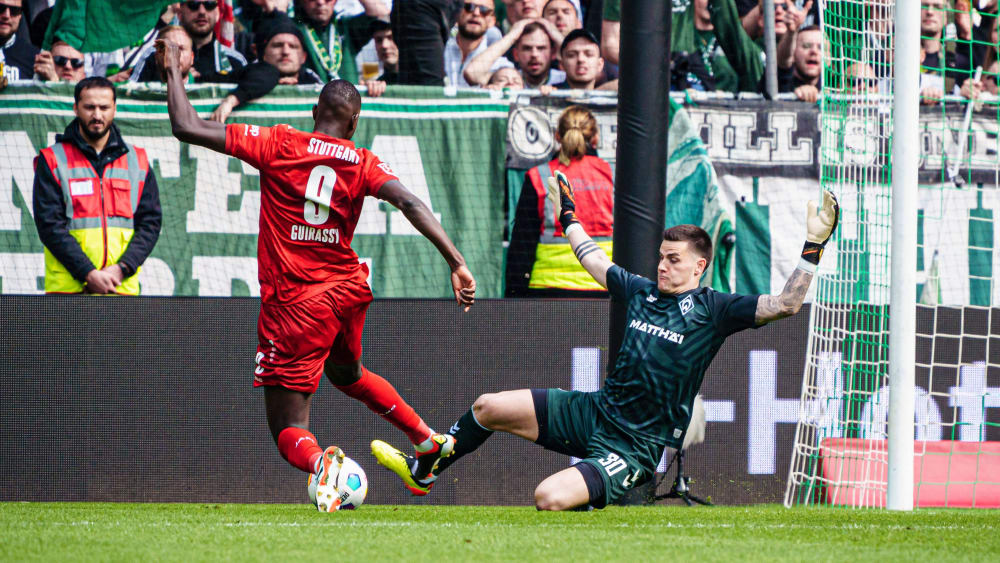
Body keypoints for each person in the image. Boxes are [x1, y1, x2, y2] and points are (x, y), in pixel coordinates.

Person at [374, 175, 840, 509]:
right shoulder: (640, 290)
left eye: (673, 260)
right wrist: (570, 216)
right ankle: (427, 470)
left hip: (632, 446)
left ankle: (601, 491)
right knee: (487, 407)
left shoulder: (715, 309)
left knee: (548, 498)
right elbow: (591, 258)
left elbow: (786, 304)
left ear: (698, 267)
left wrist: (813, 246)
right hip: (594, 412)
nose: (662, 266)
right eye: (661, 257)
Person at [157, 37, 477, 511]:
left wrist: (173, 71)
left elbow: (185, 126)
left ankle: (324, 467)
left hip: (297, 303)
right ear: (354, 121)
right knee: (346, 373)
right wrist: (456, 261)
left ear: (313, 110)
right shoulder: (363, 160)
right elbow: (410, 201)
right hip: (349, 288)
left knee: (288, 428)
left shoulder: (276, 142)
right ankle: (427, 440)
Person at [32, 77, 162, 295]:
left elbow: (150, 223)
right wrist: (87, 273)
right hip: (69, 292)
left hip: (120, 288)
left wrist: (122, 269)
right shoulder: (53, 159)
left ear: (115, 108)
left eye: (104, 107)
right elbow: (49, 225)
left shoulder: (137, 160)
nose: (97, 115)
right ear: (75, 108)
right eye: (89, 107)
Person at [507, 105, 613, 297]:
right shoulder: (613, 174)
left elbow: (522, 243)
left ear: (557, 136)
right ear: (596, 138)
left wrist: (513, 294)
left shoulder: (539, 175)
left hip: (547, 291)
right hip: (603, 288)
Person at [209, 17, 321, 123]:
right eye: (277, 45)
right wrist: (230, 101)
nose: (286, 52)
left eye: (293, 46)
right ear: (262, 53)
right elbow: (267, 75)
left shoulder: (311, 78)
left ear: (304, 57)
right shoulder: (251, 71)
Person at [295, 0, 388, 85]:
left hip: (348, 100)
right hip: (311, 99)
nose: (320, 2)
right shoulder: (293, 29)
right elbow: (280, 10)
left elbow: (381, 12)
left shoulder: (346, 26)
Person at [464, 19, 566, 87]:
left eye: (541, 48)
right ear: (516, 54)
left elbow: (577, 56)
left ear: (553, 53)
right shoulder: (509, 80)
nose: (534, 54)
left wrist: (555, 34)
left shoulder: (564, 78)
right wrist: (511, 36)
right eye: (527, 48)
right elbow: (472, 72)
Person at [443, 0, 514, 88]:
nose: (476, 13)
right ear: (457, 12)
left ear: (492, 21)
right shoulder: (438, 49)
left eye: (484, 10)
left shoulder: (499, 65)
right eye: (469, 7)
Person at [759, 24, 822, 102]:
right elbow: (783, 61)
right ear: (793, 53)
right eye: (806, 46)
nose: (814, 51)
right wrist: (791, 31)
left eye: (820, 47)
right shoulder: (779, 81)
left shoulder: (835, 90)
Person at [1, 0, 39, 82]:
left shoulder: (35, 58)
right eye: (0, 8)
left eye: (14, 10)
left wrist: (53, 79)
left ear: (20, 15)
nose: (6, 15)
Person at [359, 18, 398, 96]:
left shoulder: (423, 77)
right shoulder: (377, 83)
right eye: (379, 40)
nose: (384, 45)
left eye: (390, 38)